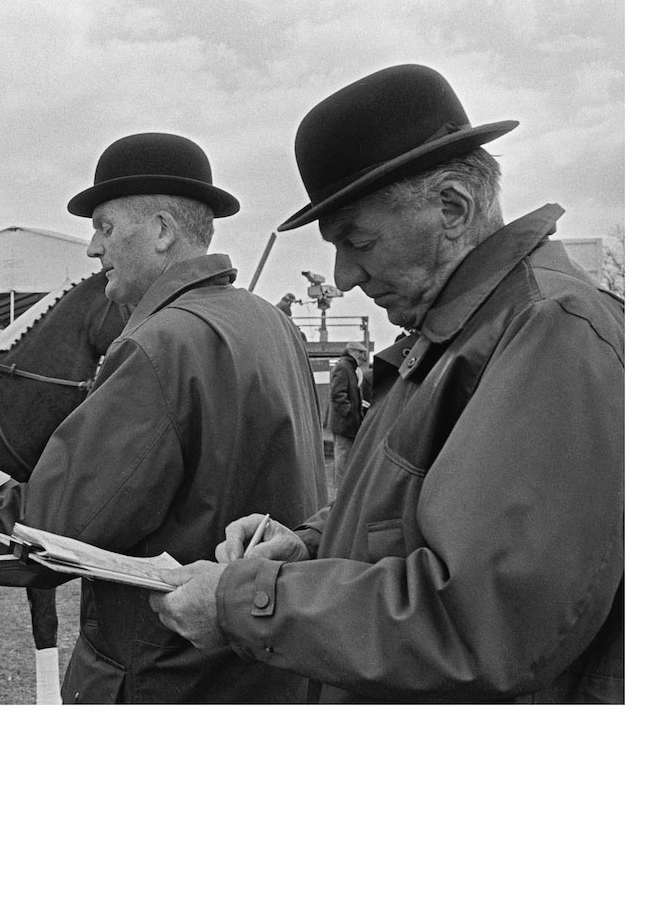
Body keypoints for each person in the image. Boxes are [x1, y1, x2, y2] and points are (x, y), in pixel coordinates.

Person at [149, 63, 624, 703]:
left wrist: (248, 601)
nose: (343, 276)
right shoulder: (460, 332)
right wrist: (307, 544)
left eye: (359, 240)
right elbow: (423, 519)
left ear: (451, 208)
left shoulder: (551, 331)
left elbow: (484, 622)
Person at [0, 132, 328, 703]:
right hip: (264, 673)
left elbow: (56, 531)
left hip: (163, 676)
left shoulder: (159, 345)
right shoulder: (274, 324)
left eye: (104, 228)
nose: (92, 249)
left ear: (160, 230)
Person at [328, 340, 368, 485]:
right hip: (345, 424)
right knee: (343, 459)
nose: (364, 356)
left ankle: (341, 494)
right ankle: (340, 495)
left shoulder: (346, 368)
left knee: (344, 459)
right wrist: (350, 413)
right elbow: (338, 395)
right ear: (352, 352)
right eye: (361, 353)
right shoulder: (345, 368)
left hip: (346, 423)